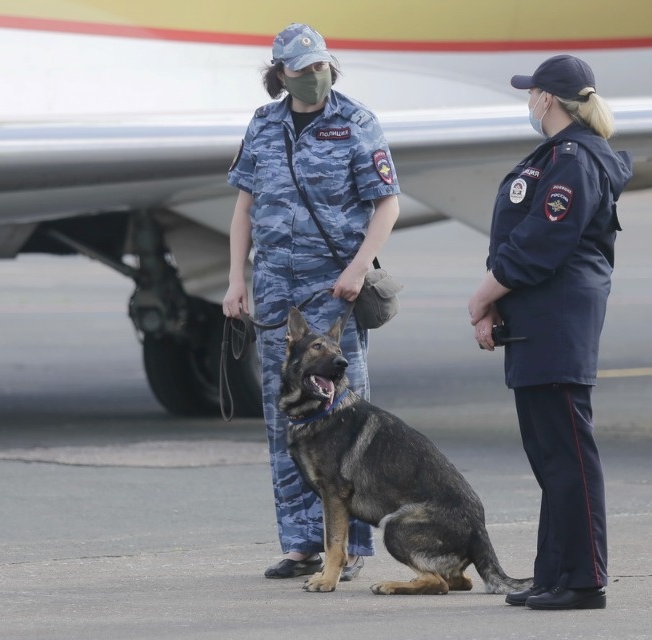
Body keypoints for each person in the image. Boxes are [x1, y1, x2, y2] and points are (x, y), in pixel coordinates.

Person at [222, 23, 401, 580]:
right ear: (281, 75)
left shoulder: (355, 122)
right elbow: (244, 209)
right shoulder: (264, 124)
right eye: (302, 70)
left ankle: (347, 551)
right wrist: (235, 281)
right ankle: (301, 544)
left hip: (334, 296)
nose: (315, 76)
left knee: (342, 422)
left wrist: (356, 268)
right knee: (286, 423)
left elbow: (387, 204)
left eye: (321, 65)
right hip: (275, 293)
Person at [468, 55, 633, 610]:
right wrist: (496, 303)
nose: (528, 101)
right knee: (548, 455)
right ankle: (554, 573)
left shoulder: (575, 159)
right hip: (538, 318)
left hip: (557, 318)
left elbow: (542, 240)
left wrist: (483, 295)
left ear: (549, 100)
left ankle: (584, 580)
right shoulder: (560, 156)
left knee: (567, 454)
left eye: (532, 92)